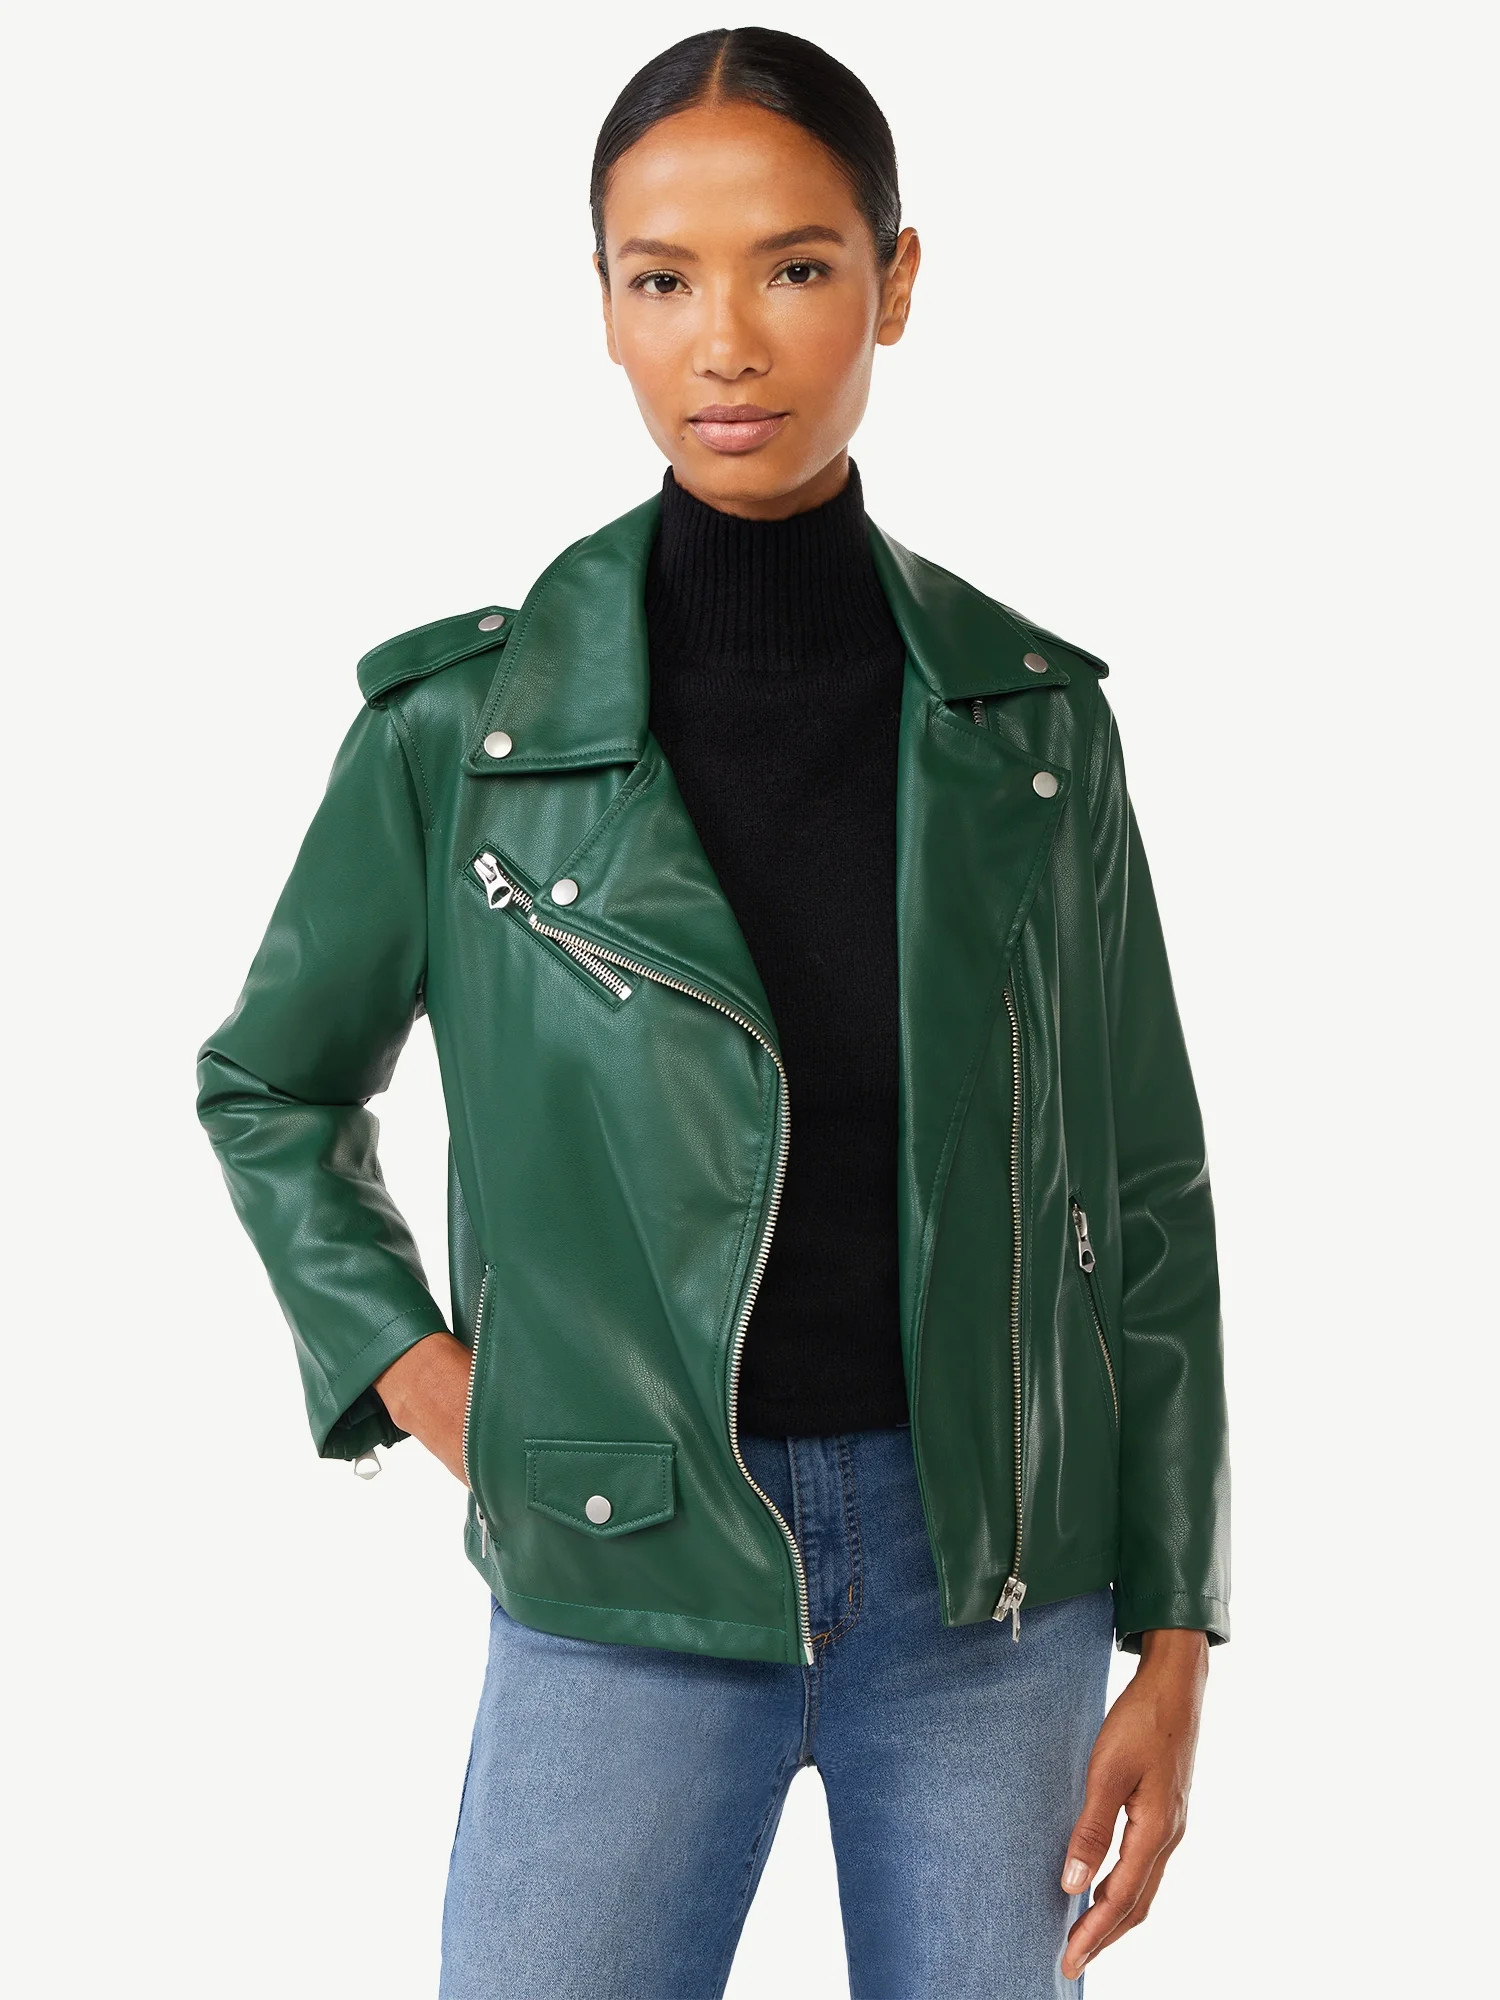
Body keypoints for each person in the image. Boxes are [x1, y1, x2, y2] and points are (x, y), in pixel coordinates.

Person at [196, 25, 1229, 1998]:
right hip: (623, 1568)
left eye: (797, 266)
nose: (728, 343)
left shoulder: (1029, 730)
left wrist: (1176, 1640)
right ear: (603, 305)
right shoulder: (463, 737)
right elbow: (272, 1088)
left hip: (993, 1584)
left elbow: (1150, 1189)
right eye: (662, 278)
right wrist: (429, 1380)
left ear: (895, 283)